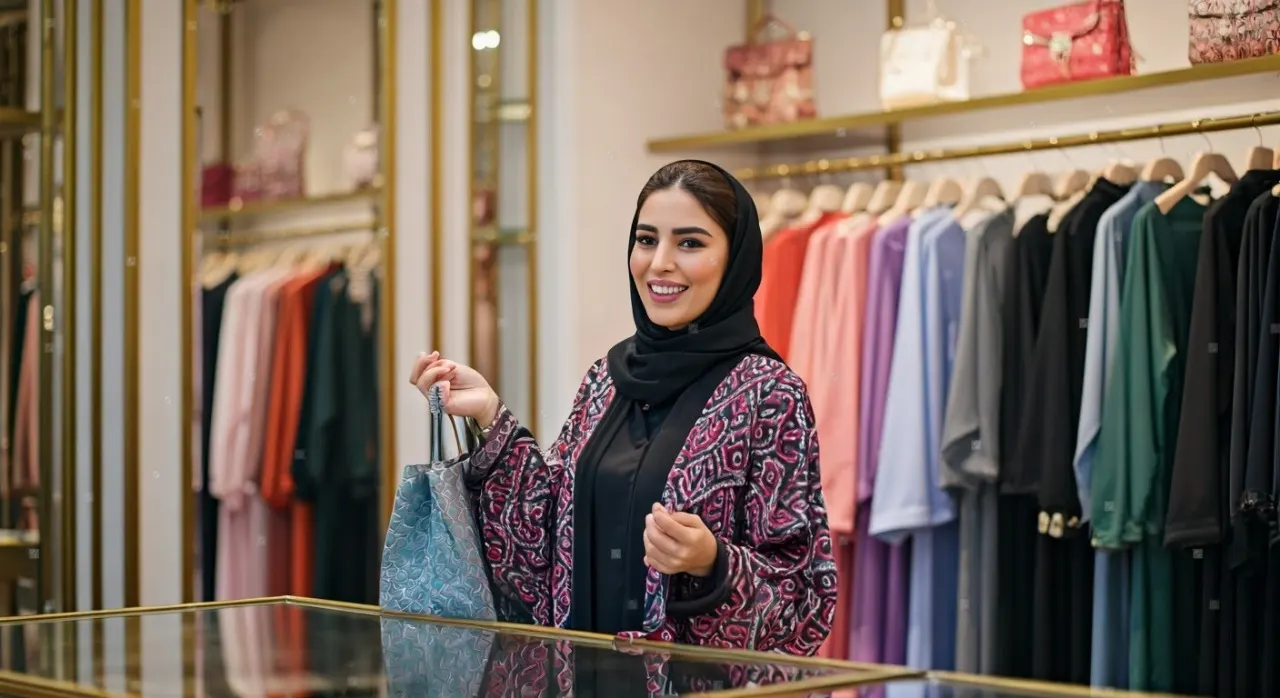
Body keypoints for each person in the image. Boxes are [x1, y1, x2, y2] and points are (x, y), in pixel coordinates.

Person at [408, 159, 836, 655]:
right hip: (579, 681)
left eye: (690, 243)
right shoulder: (606, 380)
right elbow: (539, 549)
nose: (659, 264)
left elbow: (806, 601)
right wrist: (489, 414)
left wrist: (713, 563)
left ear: (736, 259)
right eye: (647, 239)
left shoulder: (770, 395)